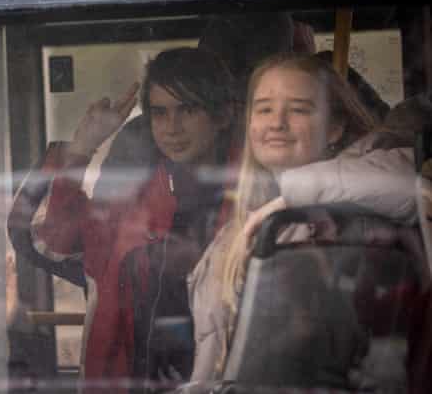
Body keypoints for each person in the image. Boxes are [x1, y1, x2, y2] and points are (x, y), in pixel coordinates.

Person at [189, 53, 419, 382]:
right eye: (264, 109)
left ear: (335, 127)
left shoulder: (360, 219)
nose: (276, 123)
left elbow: (406, 183)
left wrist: (287, 199)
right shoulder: (239, 226)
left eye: (298, 109)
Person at [31, 48, 239, 386]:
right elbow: (51, 240)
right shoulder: (130, 203)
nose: (172, 128)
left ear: (222, 115)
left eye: (187, 110)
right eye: (159, 113)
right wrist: (83, 146)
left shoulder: (252, 197)